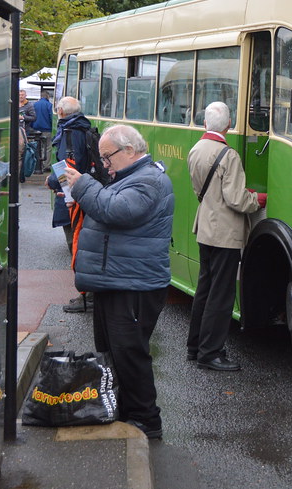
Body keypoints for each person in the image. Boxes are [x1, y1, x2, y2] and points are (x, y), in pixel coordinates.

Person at [63, 124, 173, 439]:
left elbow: (116, 211)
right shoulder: (129, 177)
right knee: (111, 352)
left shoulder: (150, 180)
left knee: (129, 354)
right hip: (117, 281)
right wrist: (78, 187)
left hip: (134, 285)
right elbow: (107, 207)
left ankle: (146, 421)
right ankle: (124, 411)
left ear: (129, 150)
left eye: (107, 157)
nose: (104, 164)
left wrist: (83, 185)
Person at [187, 101, 266, 371]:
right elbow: (236, 200)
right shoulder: (228, 155)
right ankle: (210, 353)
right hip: (225, 232)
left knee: (204, 290)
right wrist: (258, 199)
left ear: (205, 123)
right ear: (229, 125)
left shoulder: (196, 149)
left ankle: (194, 346)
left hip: (205, 229)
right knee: (221, 295)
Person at [46, 96, 94, 312]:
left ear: (61, 112)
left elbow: (67, 167)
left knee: (76, 244)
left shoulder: (68, 132)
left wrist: (53, 181)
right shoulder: (83, 128)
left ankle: (86, 295)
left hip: (72, 195)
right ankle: (88, 294)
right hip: (81, 192)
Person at [31, 89, 54, 166]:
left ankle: (38, 164)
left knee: (38, 147)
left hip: (36, 129)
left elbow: (32, 116)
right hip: (47, 129)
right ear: (47, 96)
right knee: (48, 147)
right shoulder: (49, 105)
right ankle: (46, 165)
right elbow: (51, 117)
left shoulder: (34, 105)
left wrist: (32, 126)